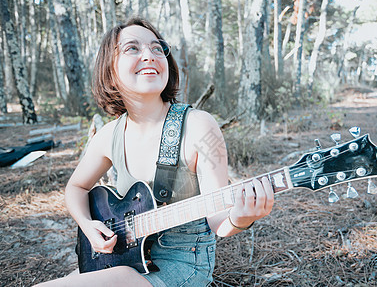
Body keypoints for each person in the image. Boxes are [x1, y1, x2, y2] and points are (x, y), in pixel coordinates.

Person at [35, 17, 274, 287]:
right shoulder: (108, 135)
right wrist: (89, 226)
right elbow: (75, 188)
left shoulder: (199, 126)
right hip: (121, 259)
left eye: (157, 48)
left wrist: (241, 218)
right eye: (132, 48)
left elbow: (219, 218)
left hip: (182, 266)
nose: (149, 55)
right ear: (110, 70)